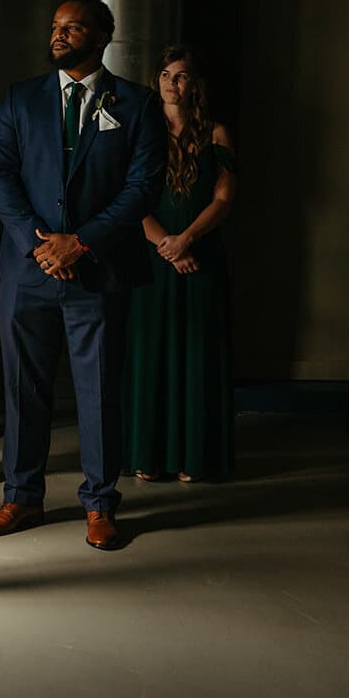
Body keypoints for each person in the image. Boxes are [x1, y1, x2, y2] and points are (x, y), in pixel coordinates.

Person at [0, 0, 165, 550]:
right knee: (22, 389)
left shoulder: (137, 103)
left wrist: (80, 242)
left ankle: (101, 505)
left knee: (100, 390)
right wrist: (35, 242)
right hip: (27, 268)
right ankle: (21, 497)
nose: (59, 34)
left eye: (73, 26)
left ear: (102, 34)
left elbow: (142, 188)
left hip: (99, 270)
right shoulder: (20, 98)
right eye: (55, 25)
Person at [125, 45, 236, 483]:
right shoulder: (141, 130)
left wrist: (187, 239)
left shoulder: (216, 133)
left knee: (197, 352)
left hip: (202, 254)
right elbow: (130, 199)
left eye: (183, 75)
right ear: (157, 80)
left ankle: (195, 457)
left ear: (196, 84)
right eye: (167, 74)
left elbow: (224, 199)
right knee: (149, 351)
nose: (174, 83)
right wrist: (165, 247)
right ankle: (146, 456)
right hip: (152, 259)